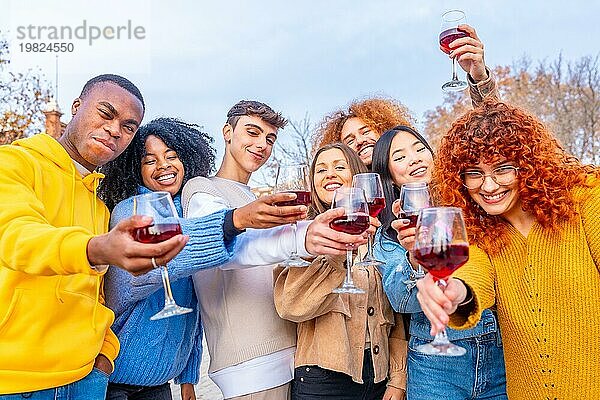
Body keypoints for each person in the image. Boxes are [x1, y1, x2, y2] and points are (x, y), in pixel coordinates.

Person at [0, 75, 188, 399]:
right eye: (106, 113)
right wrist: (95, 248)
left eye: (128, 127)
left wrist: (105, 355)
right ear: (76, 107)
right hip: (17, 380)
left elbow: (101, 296)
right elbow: (16, 236)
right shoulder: (15, 163)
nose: (115, 130)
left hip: (88, 380)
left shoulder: (102, 207)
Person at [97, 117, 309, 400]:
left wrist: (188, 377)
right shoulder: (131, 210)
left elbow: (192, 309)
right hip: (115, 381)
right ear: (136, 169)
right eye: (150, 160)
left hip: (159, 384)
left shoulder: (183, 213)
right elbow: (163, 259)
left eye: (171, 156)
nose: (163, 166)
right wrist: (233, 221)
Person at [414, 99, 600, 399]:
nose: (488, 186)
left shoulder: (586, 199)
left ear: (528, 166)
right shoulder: (479, 232)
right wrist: (454, 291)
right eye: (473, 173)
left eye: (502, 169)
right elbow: (473, 274)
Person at [181, 101, 367, 400]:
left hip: (295, 358)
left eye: (269, 139)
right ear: (227, 132)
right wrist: (303, 239)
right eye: (252, 132)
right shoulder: (202, 190)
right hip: (251, 367)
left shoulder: (254, 196)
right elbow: (230, 251)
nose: (261, 144)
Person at [370, 125, 507, 399]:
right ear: (390, 177)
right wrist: (414, 255)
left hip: (499, 352)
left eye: (419, 149)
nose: (414, 158)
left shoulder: (473, 206)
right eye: (399, 157)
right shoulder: (388, 235)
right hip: (435, 365)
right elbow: (401, 302)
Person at [274, 142, 407, 400]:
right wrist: (334, 255)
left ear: (356, 176)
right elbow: (290, 306)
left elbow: (395, 316)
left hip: (378, 378)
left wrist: (398, 378)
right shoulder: (299, 237)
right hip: (323, 380)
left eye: (339, 167)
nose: (329, 174)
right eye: (320, 170)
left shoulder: (379, 239)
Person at [315, 25, 497, 168]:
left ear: (386, 130)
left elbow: (496, 134)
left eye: (366, 131)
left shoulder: (425, 171)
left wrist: (479, 77)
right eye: (350, 140)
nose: (360, 141)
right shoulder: (350, 199)